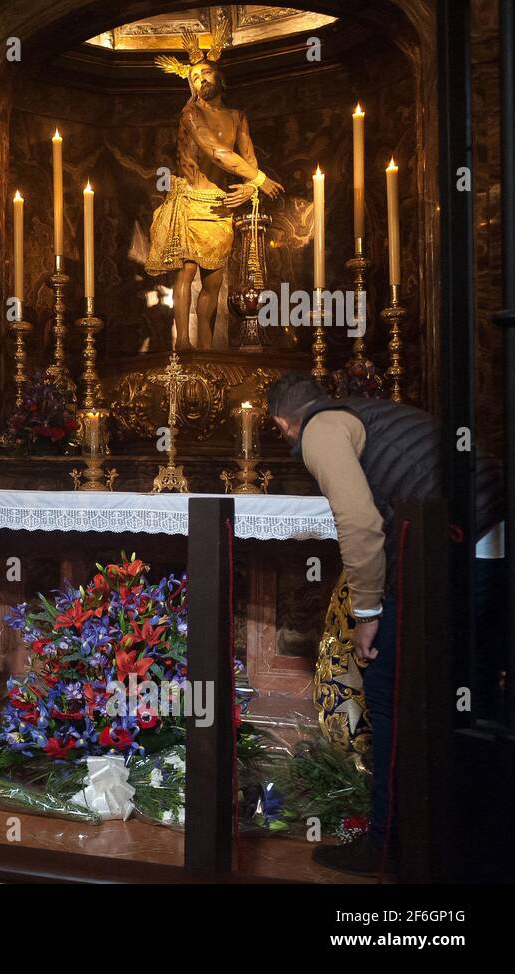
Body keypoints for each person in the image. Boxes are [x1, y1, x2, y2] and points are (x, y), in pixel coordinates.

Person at [267, 371, 505, 877]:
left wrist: (368, 612)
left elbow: (359, 522)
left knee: (387, 689)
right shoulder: (362, 415)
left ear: (283, 423)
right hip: (489, 534)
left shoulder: (319, 429)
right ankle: (473, 839)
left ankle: (387, 843)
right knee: (474, 689)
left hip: (458, 540)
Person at [148, 29, 284, 349]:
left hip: (221, 205)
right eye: (194, 77)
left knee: (215, 280)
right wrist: (261, 181)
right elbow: (216, 153)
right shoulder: (190, 114)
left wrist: (251, 188)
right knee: (187, 271)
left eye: (206, 72)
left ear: (220, 77)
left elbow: (248, 160)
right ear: (190, 86)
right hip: (191, 199)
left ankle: (207, 350)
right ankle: (184, 343)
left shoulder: (238, 117)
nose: (201, 80)